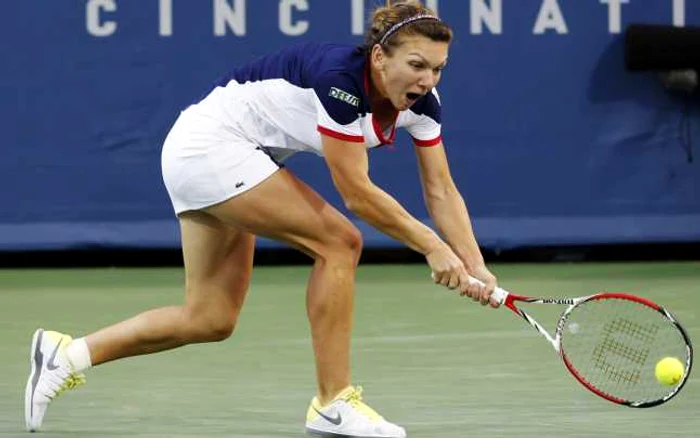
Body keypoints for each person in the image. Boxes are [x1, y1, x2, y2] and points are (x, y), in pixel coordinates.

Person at [24, 1, 499, 437]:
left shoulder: (423, 106)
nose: (427, 80)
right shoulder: (341, 81)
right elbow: (356, 192)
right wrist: (434, 248)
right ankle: (334, 402)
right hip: (211, 147)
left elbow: (441, 191)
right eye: (416, 65)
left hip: (234, 157)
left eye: (438, 69)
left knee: (210, 318)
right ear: (379, 58)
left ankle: (66, 355)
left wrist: (476, 266)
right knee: (340, 242)